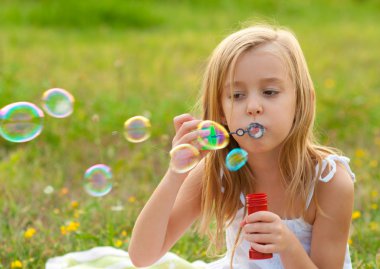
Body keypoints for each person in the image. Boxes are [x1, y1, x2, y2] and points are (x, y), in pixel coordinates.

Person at [128, 24, 355, 269]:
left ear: (301, 101)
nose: (253, 106)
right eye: (237, 95)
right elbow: (142, 256)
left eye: (269, 92)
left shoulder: (329, 181)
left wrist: (288, 245)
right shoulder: (217, 171)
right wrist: (176, 172)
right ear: (222, 113)